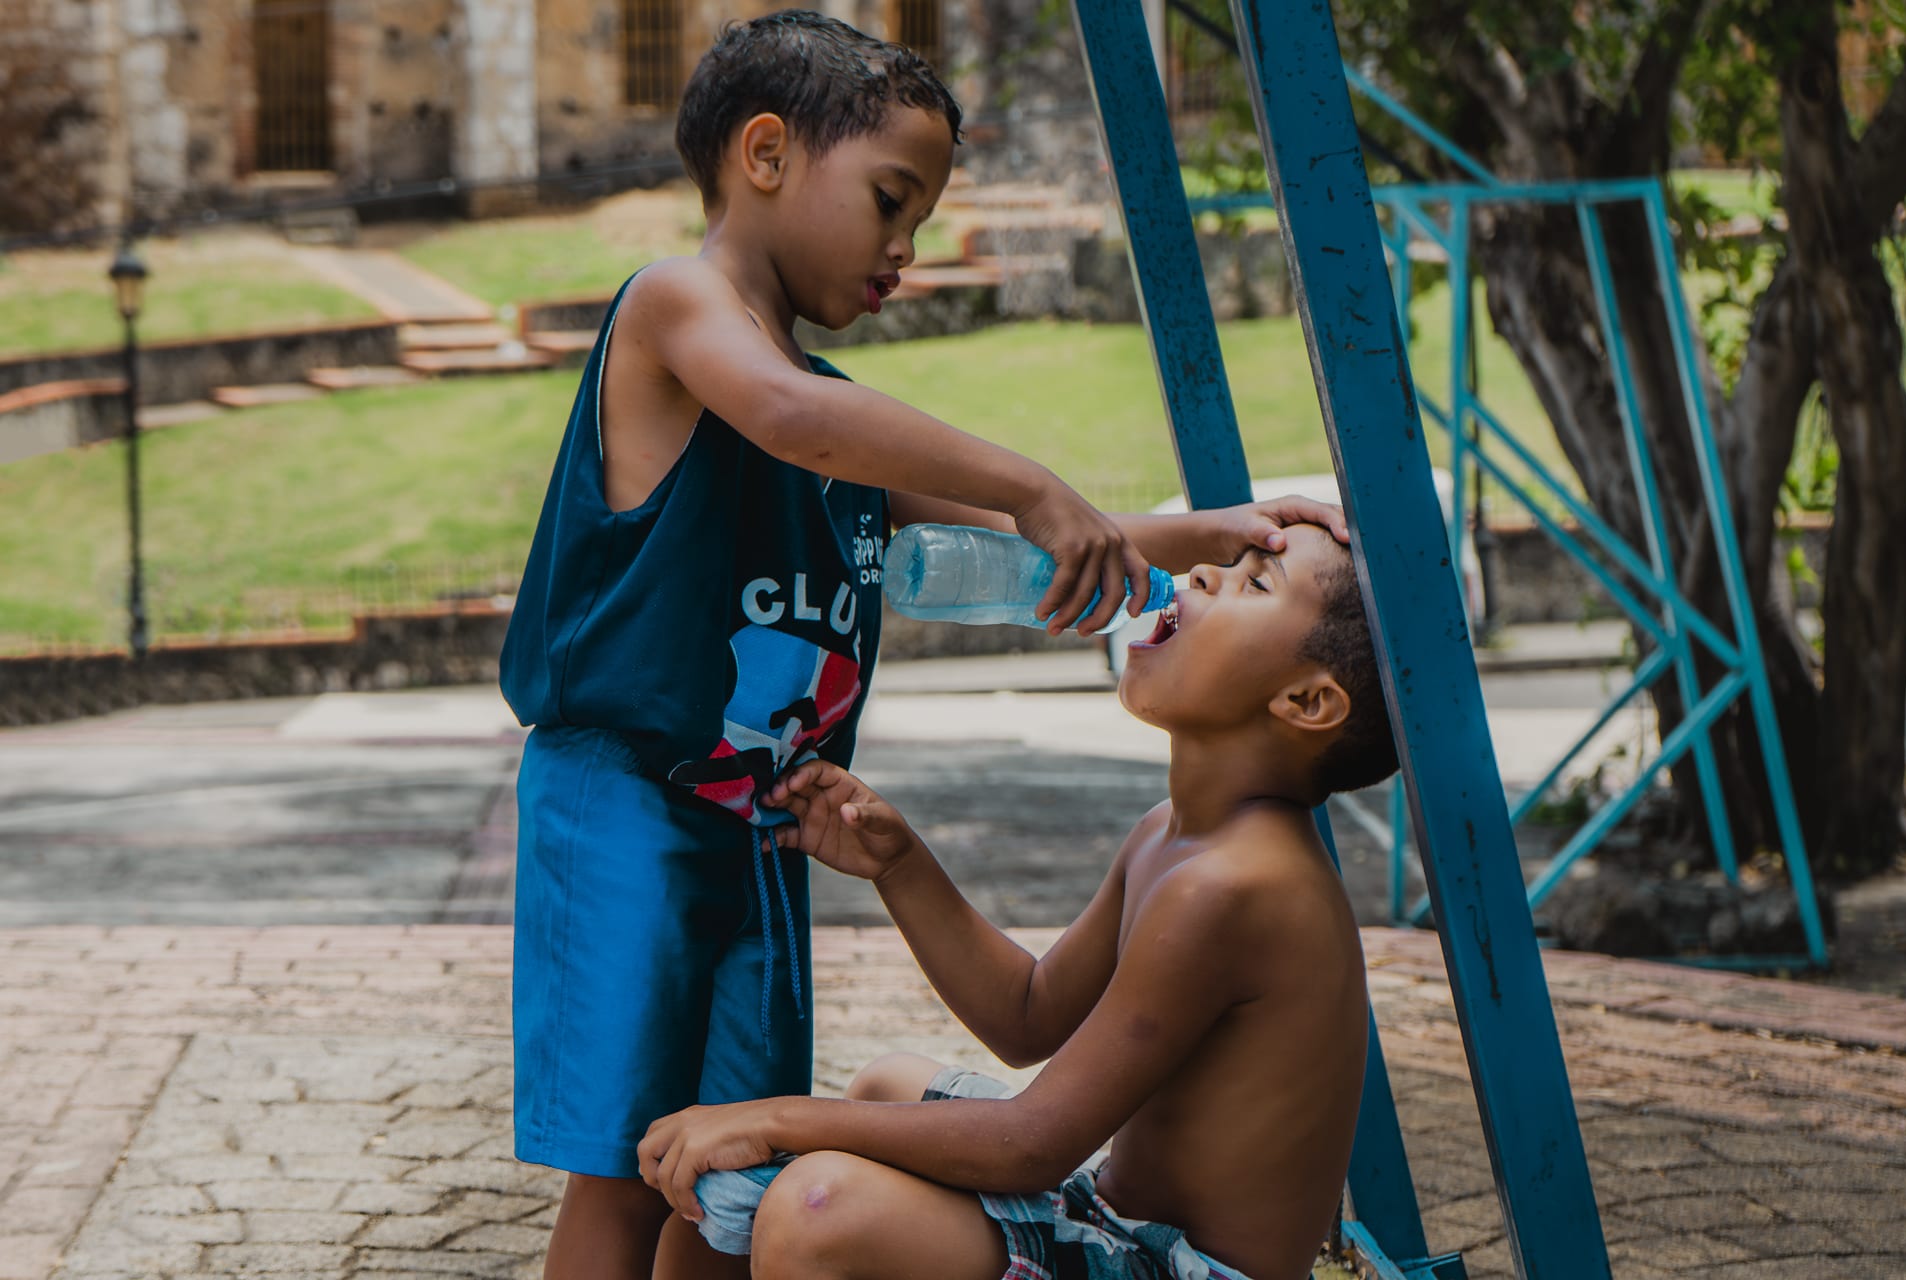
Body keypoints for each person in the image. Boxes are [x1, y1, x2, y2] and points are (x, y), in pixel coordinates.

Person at [500, 10, 1350, 1277]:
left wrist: (1201, 531)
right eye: (891, 202)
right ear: (768, 154)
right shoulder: (681, 313)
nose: (904, 249)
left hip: (756, 825)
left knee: (714, 1179)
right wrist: (1029, 478)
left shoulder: (838, 423)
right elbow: (792, 417)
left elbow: (1052, 543)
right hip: (630, 802)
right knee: (627, 1170)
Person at [637, 524, 1399, 1280]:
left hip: (1182, 1268)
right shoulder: (1169, 835)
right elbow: (1028, 1016)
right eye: (1229, 564)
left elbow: (1035, 1142)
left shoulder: (1233, 887)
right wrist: (899, 865)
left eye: (1255, 583)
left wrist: (771, 1119)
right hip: (1119, 1221)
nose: (1201, 574)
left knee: (817, 1211)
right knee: (887, 1086)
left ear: (1306, 700)